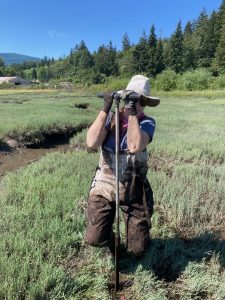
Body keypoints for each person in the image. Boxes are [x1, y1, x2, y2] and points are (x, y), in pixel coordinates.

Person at [84, 75, 160, 257]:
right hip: (105, 183)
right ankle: (112, 242)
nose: (139, 103)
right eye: (133, 98)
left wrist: (132, 113)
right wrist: (105, 109)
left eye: (143, 100)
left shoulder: (147, 122)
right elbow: (91, 142)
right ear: (125, 97)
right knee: (94, 238)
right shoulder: (110, 118)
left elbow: (134, 146)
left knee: (137, 249)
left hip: (135, 186)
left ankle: (136, 242)